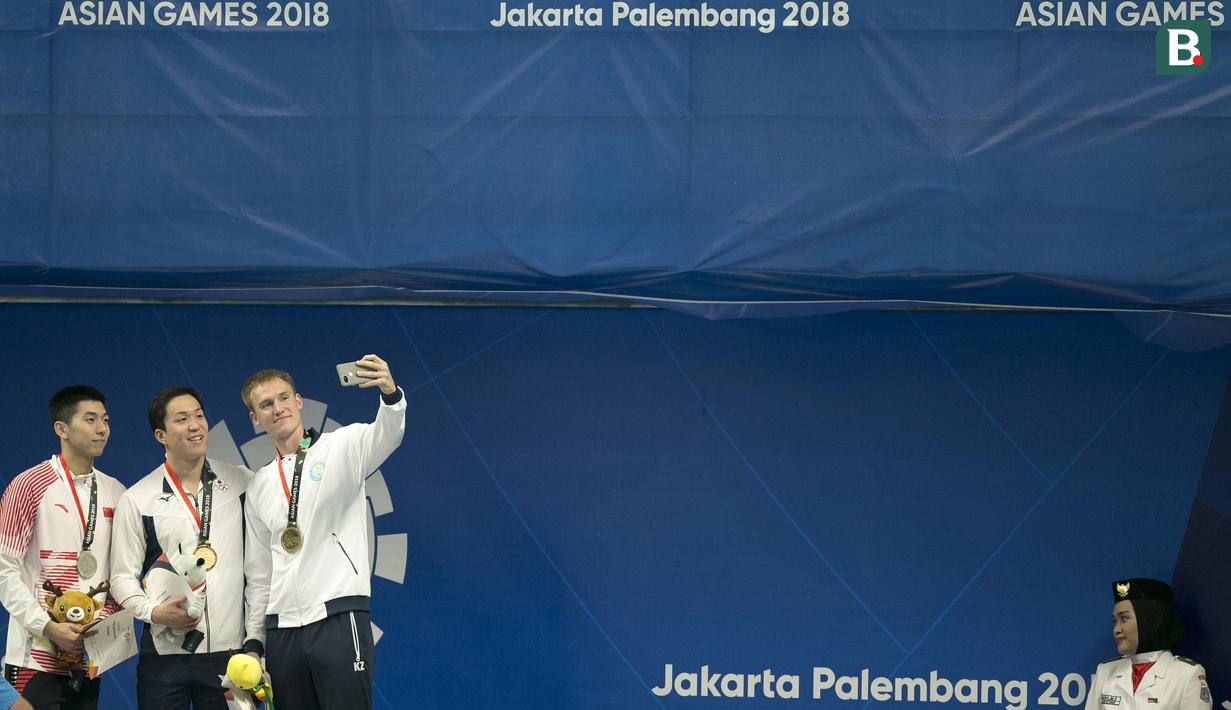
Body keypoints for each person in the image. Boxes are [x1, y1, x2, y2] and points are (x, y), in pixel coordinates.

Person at [240, 355, 405, 710]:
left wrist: (391, 395)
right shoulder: (259, 486)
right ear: (255, 419)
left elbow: (388, 434)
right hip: (282, 630)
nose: (278, 408)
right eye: (266, 404)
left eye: (284, 398)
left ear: (299, 401)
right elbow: (259, 574)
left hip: (338, 616)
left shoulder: (342, 446)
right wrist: (254, 641)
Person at [109, 386, 253, 709]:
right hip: (164, 658)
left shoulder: (242, 483)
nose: (195, 425)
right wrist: (154, 613)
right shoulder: (137, 499)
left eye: (199, 416)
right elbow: (121, 577)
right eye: (182, 419)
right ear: (161, 434)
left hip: (230, 657)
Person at [0, 386, 126, 709]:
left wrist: (102, 624)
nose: (102, 429)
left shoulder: (116, 492)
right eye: (90, 419)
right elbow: (4, 570)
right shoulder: (28, 485)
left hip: (87, 661)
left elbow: (121, 574)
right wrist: (47, 627)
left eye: (106, 420)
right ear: (62, 429)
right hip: (34, 660)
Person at [1085, 578, 1213, 710]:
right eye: (1115, 621)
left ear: (1149, 620)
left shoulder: (1186, 674)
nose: (1116, 629)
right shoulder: (1105, 671)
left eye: (1124, 618)